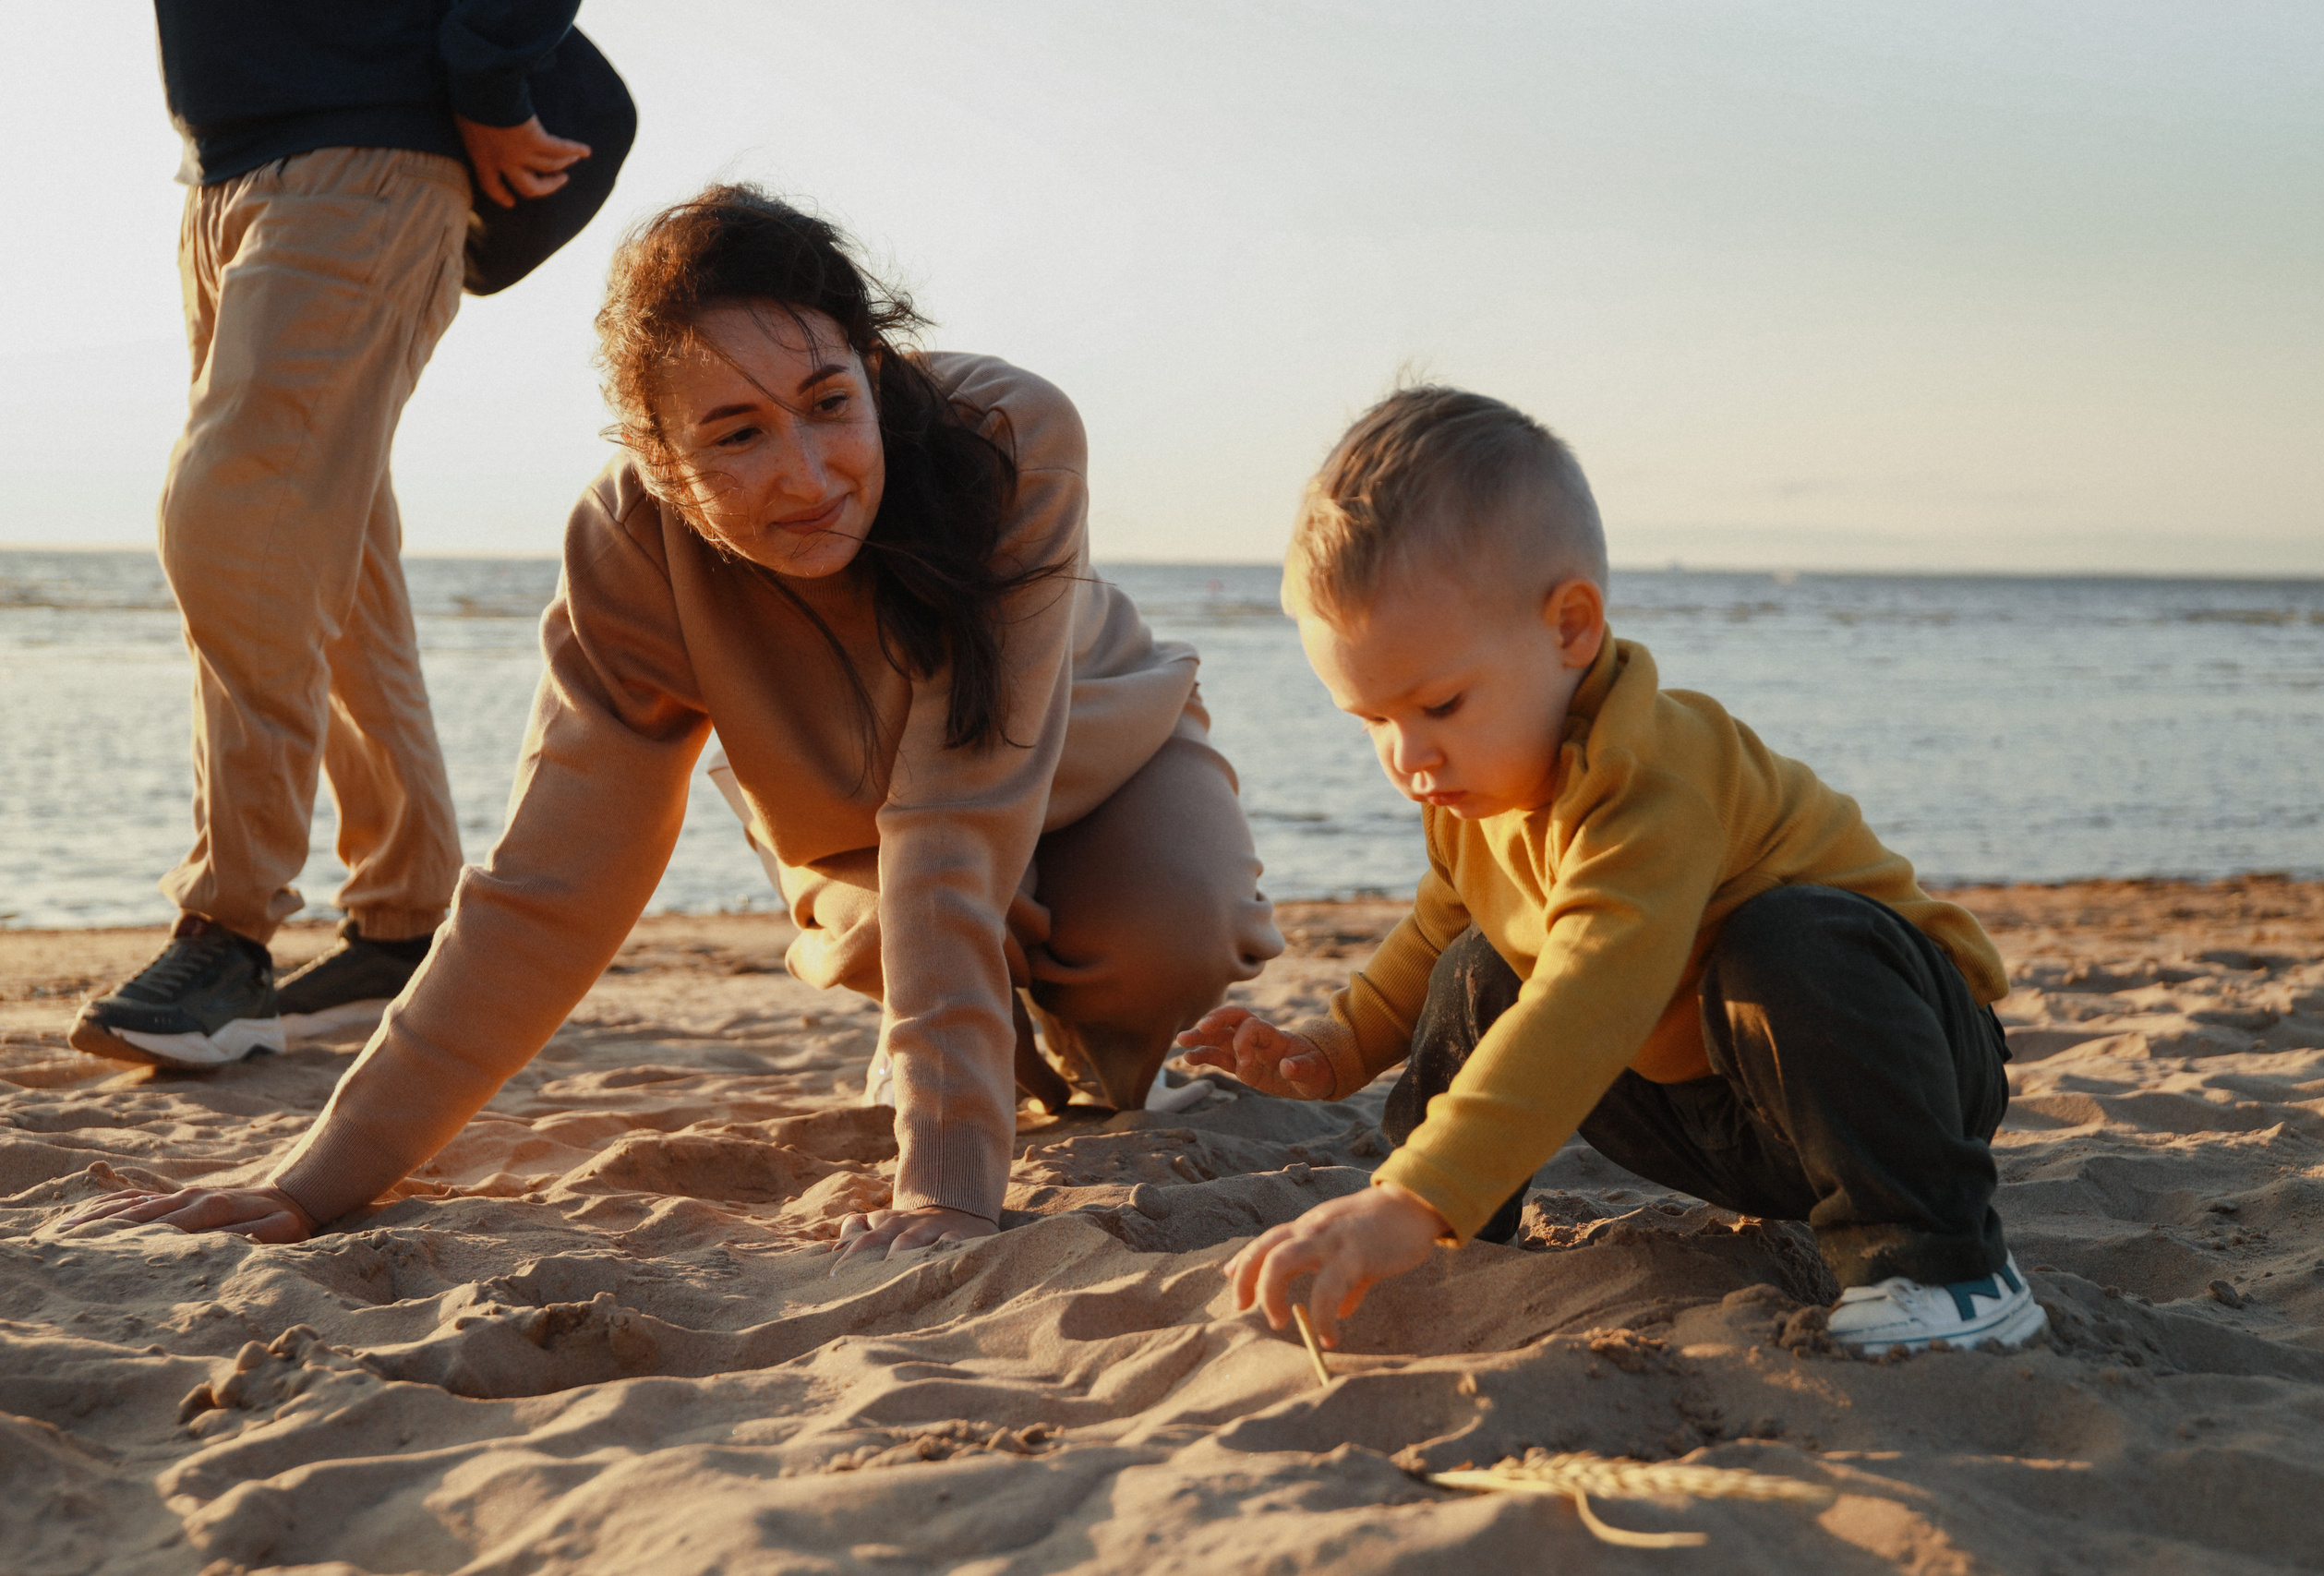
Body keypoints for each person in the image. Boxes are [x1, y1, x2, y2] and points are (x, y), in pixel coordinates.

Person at [69, 186, 1284, 1256]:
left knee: (1165, 942)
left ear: (873, 369)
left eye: (828, 402)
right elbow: (545, 890)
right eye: (736, 434)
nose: (807, 474)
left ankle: (1074, 1038)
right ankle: (971, 1028)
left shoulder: (1008, 436)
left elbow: (962, 811)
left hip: (1101, 760)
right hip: (866, 828)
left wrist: (946, 1189)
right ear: (655, 456)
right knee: (912, 935)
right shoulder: (627, 550)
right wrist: (314, 1177)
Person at [1180, 387, 2046, 1356]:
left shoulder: (1654, 780)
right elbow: (1431, 939)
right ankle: (1449, 1241)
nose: (1408, 756)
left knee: (1784, 940)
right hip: (1719, 1117)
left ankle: (1948, 1270)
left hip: (1899, 1080)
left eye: (1441, 705)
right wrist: (1333, 1046)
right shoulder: (1473, 795)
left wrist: (1411, 1196)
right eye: (1372, 720)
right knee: (1480, 964)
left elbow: (1589, 997)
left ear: (1570, 628)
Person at [71, 1, 599, 1068]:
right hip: (228, 175)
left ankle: (229, 933)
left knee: (236, 523)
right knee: (333, 560)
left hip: (365, 155)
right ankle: (404, 926)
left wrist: (491, 79)